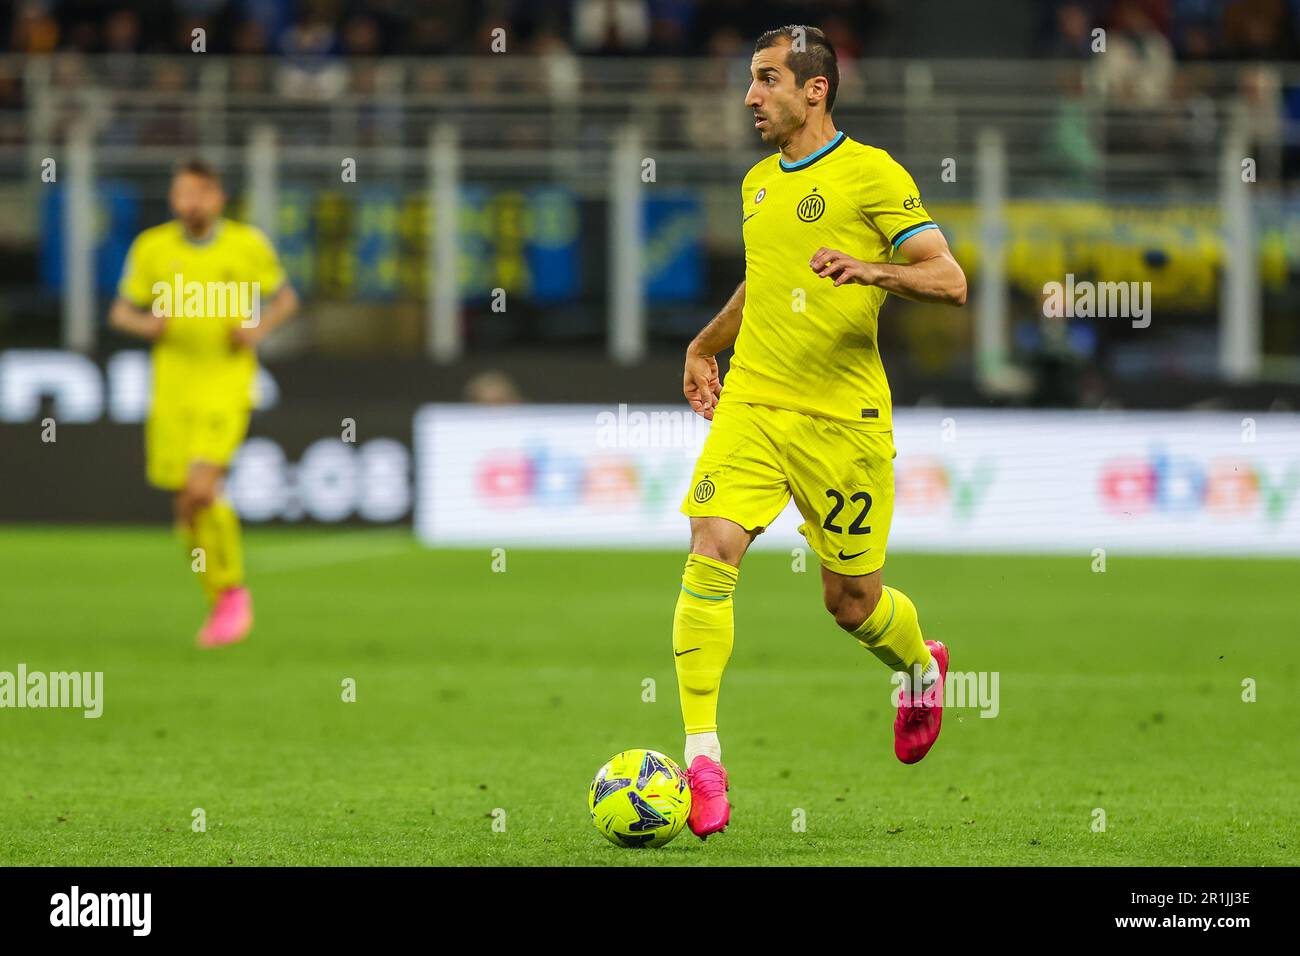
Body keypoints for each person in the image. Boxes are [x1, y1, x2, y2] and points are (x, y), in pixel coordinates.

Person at [673, 25, 968, 838]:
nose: (749, 97)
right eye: (750, 81)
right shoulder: (757, 184)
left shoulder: (872, 174)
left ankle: (917, 668)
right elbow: (763, 280)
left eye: (766, 80)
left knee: (850, 602)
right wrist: (705, 345)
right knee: (711, 544)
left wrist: (874, 268)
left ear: (815, 89)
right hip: (756, 405)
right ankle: (704, 760)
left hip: (844, 421)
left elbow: (950, 279)